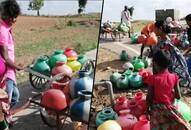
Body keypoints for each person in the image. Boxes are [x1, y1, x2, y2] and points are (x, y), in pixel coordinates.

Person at [145, 50, 191, 130]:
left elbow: (149, 97)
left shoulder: (153, 78)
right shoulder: (174, 77)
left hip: (157, 111)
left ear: (155, 64)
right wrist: (171, 92)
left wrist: (147, 109)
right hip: (170, 110)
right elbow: (178, 96)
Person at [152, 20, 191, 89]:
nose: (153, 30)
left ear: (160, 29)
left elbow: (168, 60)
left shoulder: (166, 43)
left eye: (155, 28)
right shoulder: (162, 40)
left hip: (162, 71)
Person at [0, 0, 24, 107]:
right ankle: (5, 118)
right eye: (11, 17)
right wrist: (16, 67)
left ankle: (6, 116)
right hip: (6, 72)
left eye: (15, 17)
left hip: (9, 70)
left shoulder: (6, 28)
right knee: (10, 98)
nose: (14, 20)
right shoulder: (3, 31)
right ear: (4, 14)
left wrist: (15, 66)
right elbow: (5, 57)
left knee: (14, 96)